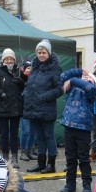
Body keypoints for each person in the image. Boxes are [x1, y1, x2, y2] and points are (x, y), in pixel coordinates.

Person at [24, 40, 63, 174]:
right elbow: (31, 85)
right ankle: (41, 163)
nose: (41, 55)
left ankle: (51, 165)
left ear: (49, 53)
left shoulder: (55, 68)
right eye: (39, 52)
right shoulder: (35, 66)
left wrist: (44, 96)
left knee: (48, 136)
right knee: (39, 137)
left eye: (44, 52)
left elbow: (59, 89)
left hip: (46, 108)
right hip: (33, 107)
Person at [58, 67, 96, 192]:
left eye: (89, 78)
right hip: (69, 126)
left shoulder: (92, 91)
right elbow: (62, 77)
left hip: (83, 129)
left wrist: (75, 80)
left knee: (83, 158)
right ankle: (70, 184)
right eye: (84, 77)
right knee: (70, 158)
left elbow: (89, 87)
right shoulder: (72, 89)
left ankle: (86, 185)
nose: (85, 79)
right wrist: (78, 71)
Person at [0, 48, 24, 166]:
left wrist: (20, 82)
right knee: (4, 134)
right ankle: (5, 157)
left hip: (15, 107)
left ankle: (14, 157)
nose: (9, 61)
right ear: (3, 60)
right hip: (2, 107)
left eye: (11, 59)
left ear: (14, 59)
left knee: (14, 134)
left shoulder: (18, 70)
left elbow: (24, 86)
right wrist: (0, 93)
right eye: (6, 59)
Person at [18, 60, 37, 161]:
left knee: (33, 132)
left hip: (34, 110)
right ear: (24, 69)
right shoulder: (20, 80)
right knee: (26, 131)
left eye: (32, 68)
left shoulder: (36, 80)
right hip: (24, 110)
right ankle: (23, 152)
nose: (30, 70)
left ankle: (30, 151)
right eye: (28, 68)